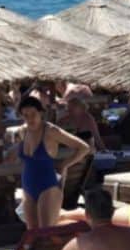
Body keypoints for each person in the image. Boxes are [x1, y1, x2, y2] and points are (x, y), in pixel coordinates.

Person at [12, 96, 90, 229]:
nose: (30, 118)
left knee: (46, 231)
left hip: (48, 186)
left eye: (33, 114)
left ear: (41, 113)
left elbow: (84, 147)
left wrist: (65, 164)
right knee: (32, 233)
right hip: (28, 186)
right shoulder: (22, 132)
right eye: (25, 115)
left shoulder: (51, 131)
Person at [57, 84, 103, 151]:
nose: (69, 109)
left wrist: (104, 150)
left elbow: (97, 137)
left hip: (84, 150)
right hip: (68, 149)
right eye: (69, 107)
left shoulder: (88, 118)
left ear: (81, 107)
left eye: (73, 106)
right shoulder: (64, 120)